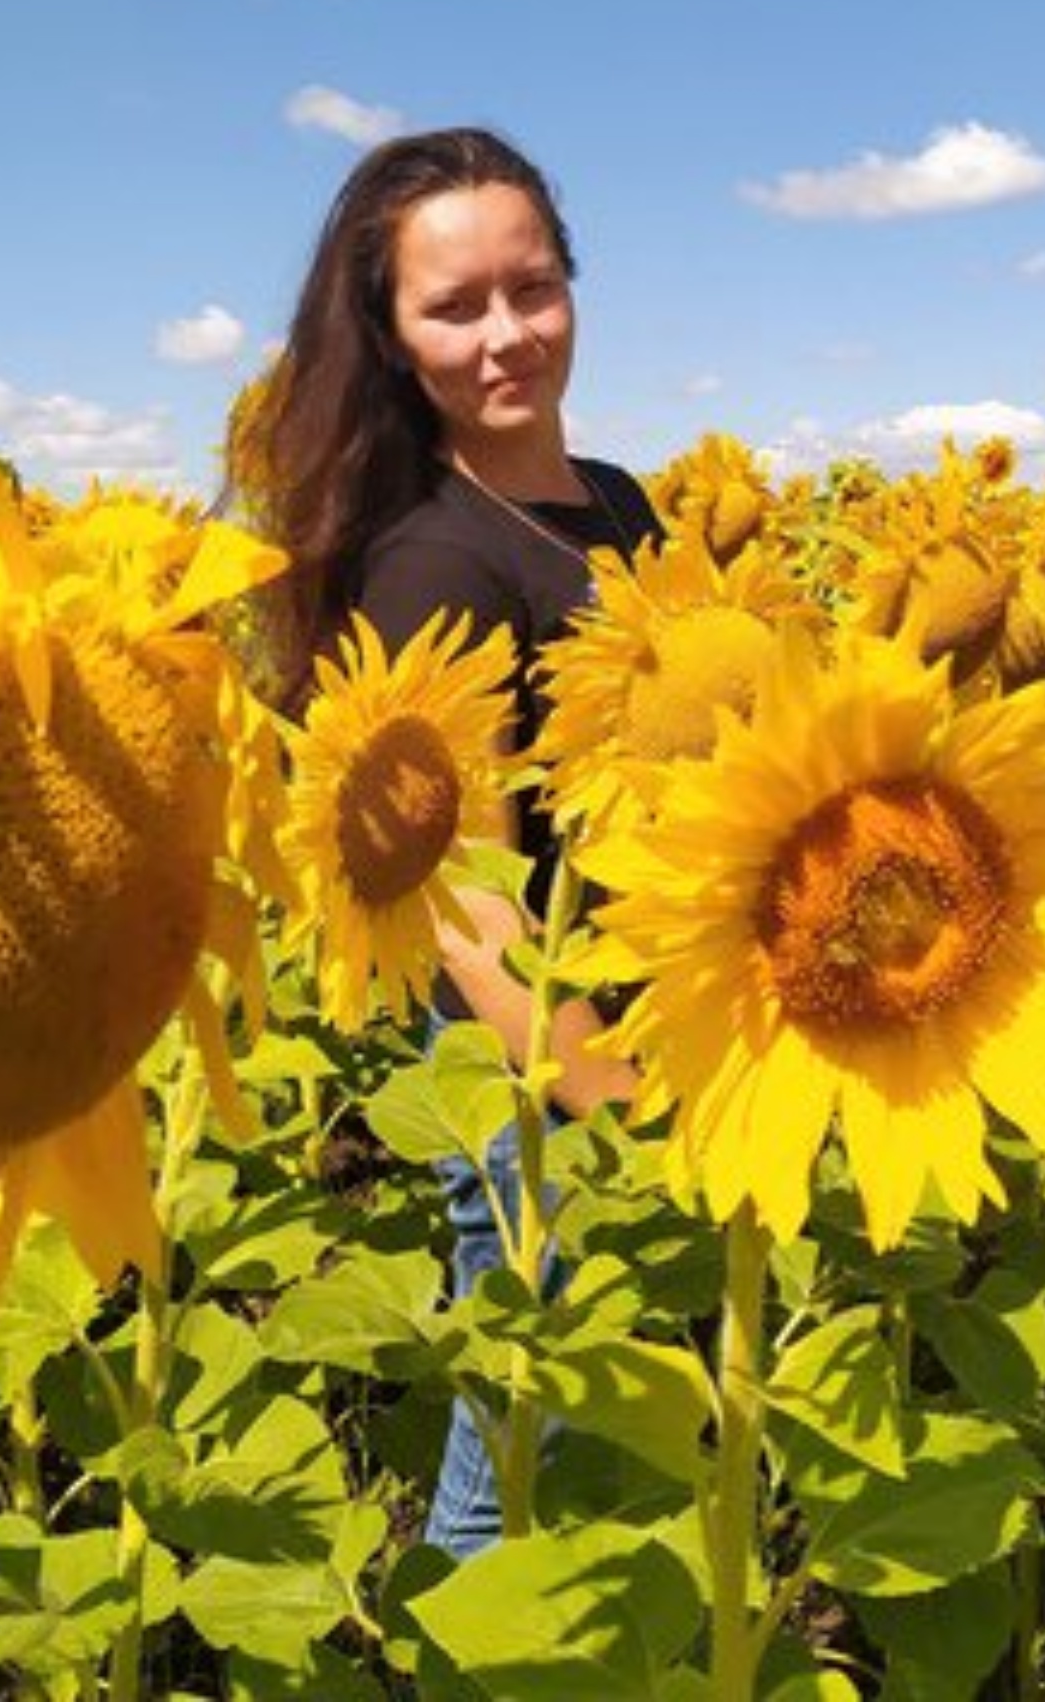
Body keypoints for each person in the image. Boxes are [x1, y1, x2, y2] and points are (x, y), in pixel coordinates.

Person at [240, 126, 658, 1557]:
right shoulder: (434, 558)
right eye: (455, 307)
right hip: (530, 1056)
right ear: (393, 336)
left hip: (648, 1013)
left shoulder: (616, 500)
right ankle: (464, 1656)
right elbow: (469, 899)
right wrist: (615, 1103)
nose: (505, 336)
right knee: (519, 1439)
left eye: (530, 289)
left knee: (611, 1440)